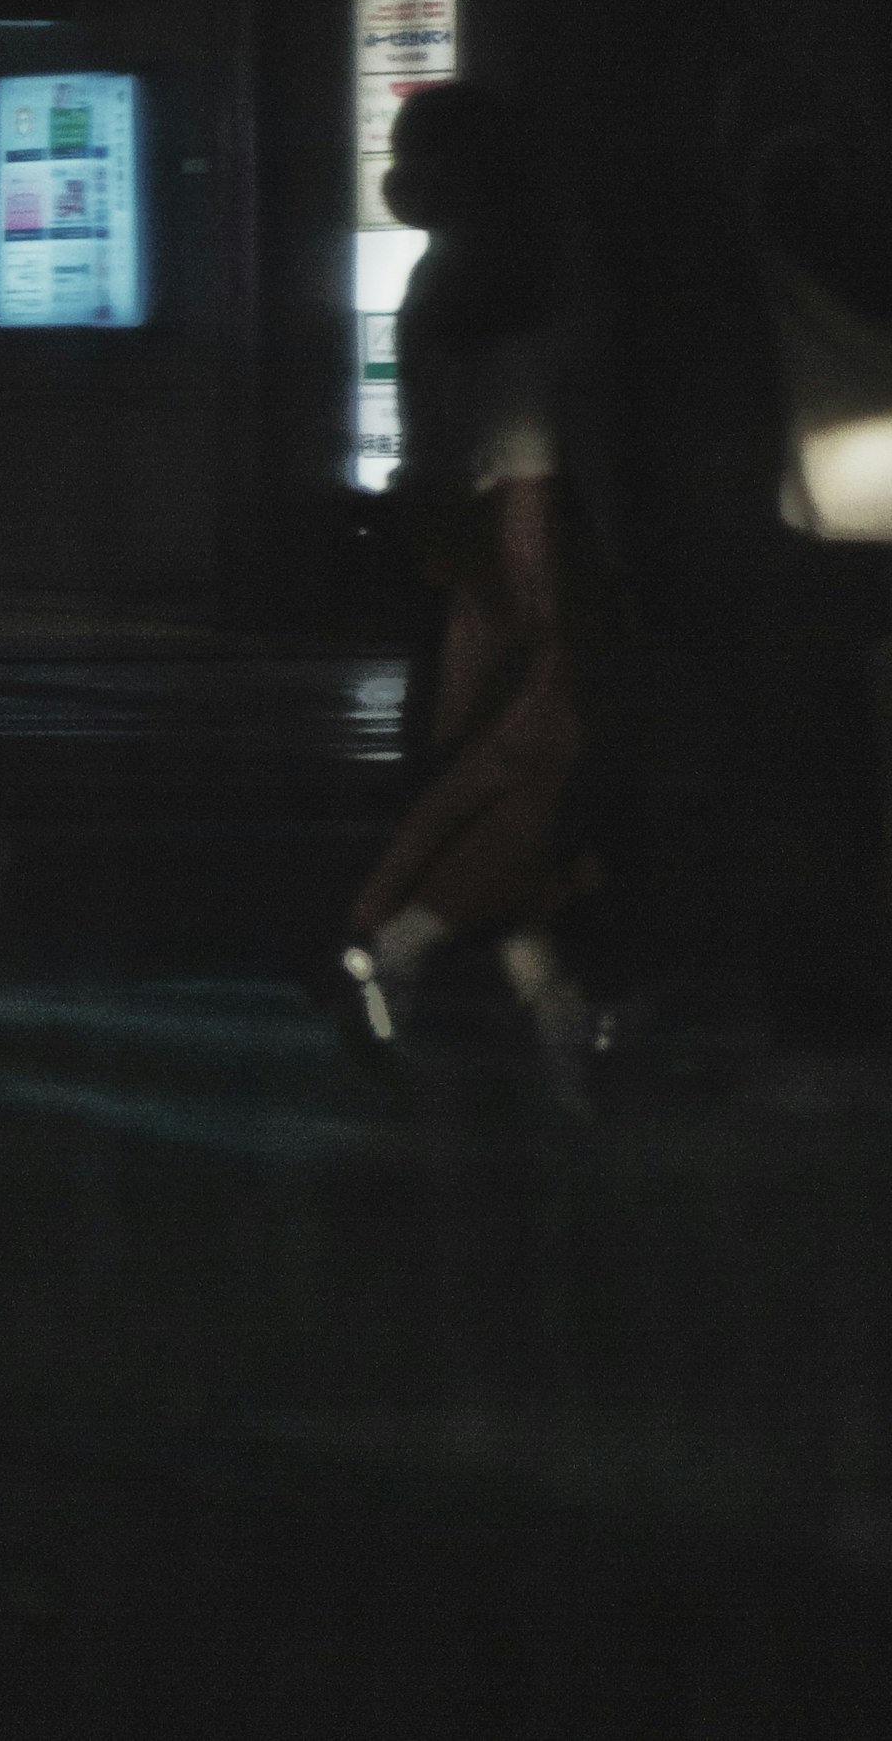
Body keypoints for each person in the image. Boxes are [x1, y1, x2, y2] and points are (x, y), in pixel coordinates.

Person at [330, 82, 602, 1107]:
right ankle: (389, 941)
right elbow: (524, 451)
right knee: (540, 768)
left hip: (459, 561)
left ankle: (548, 1003)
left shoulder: (443, 276)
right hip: (520, 558)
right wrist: (539, 605)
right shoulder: (516, 278)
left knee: (516, 783)